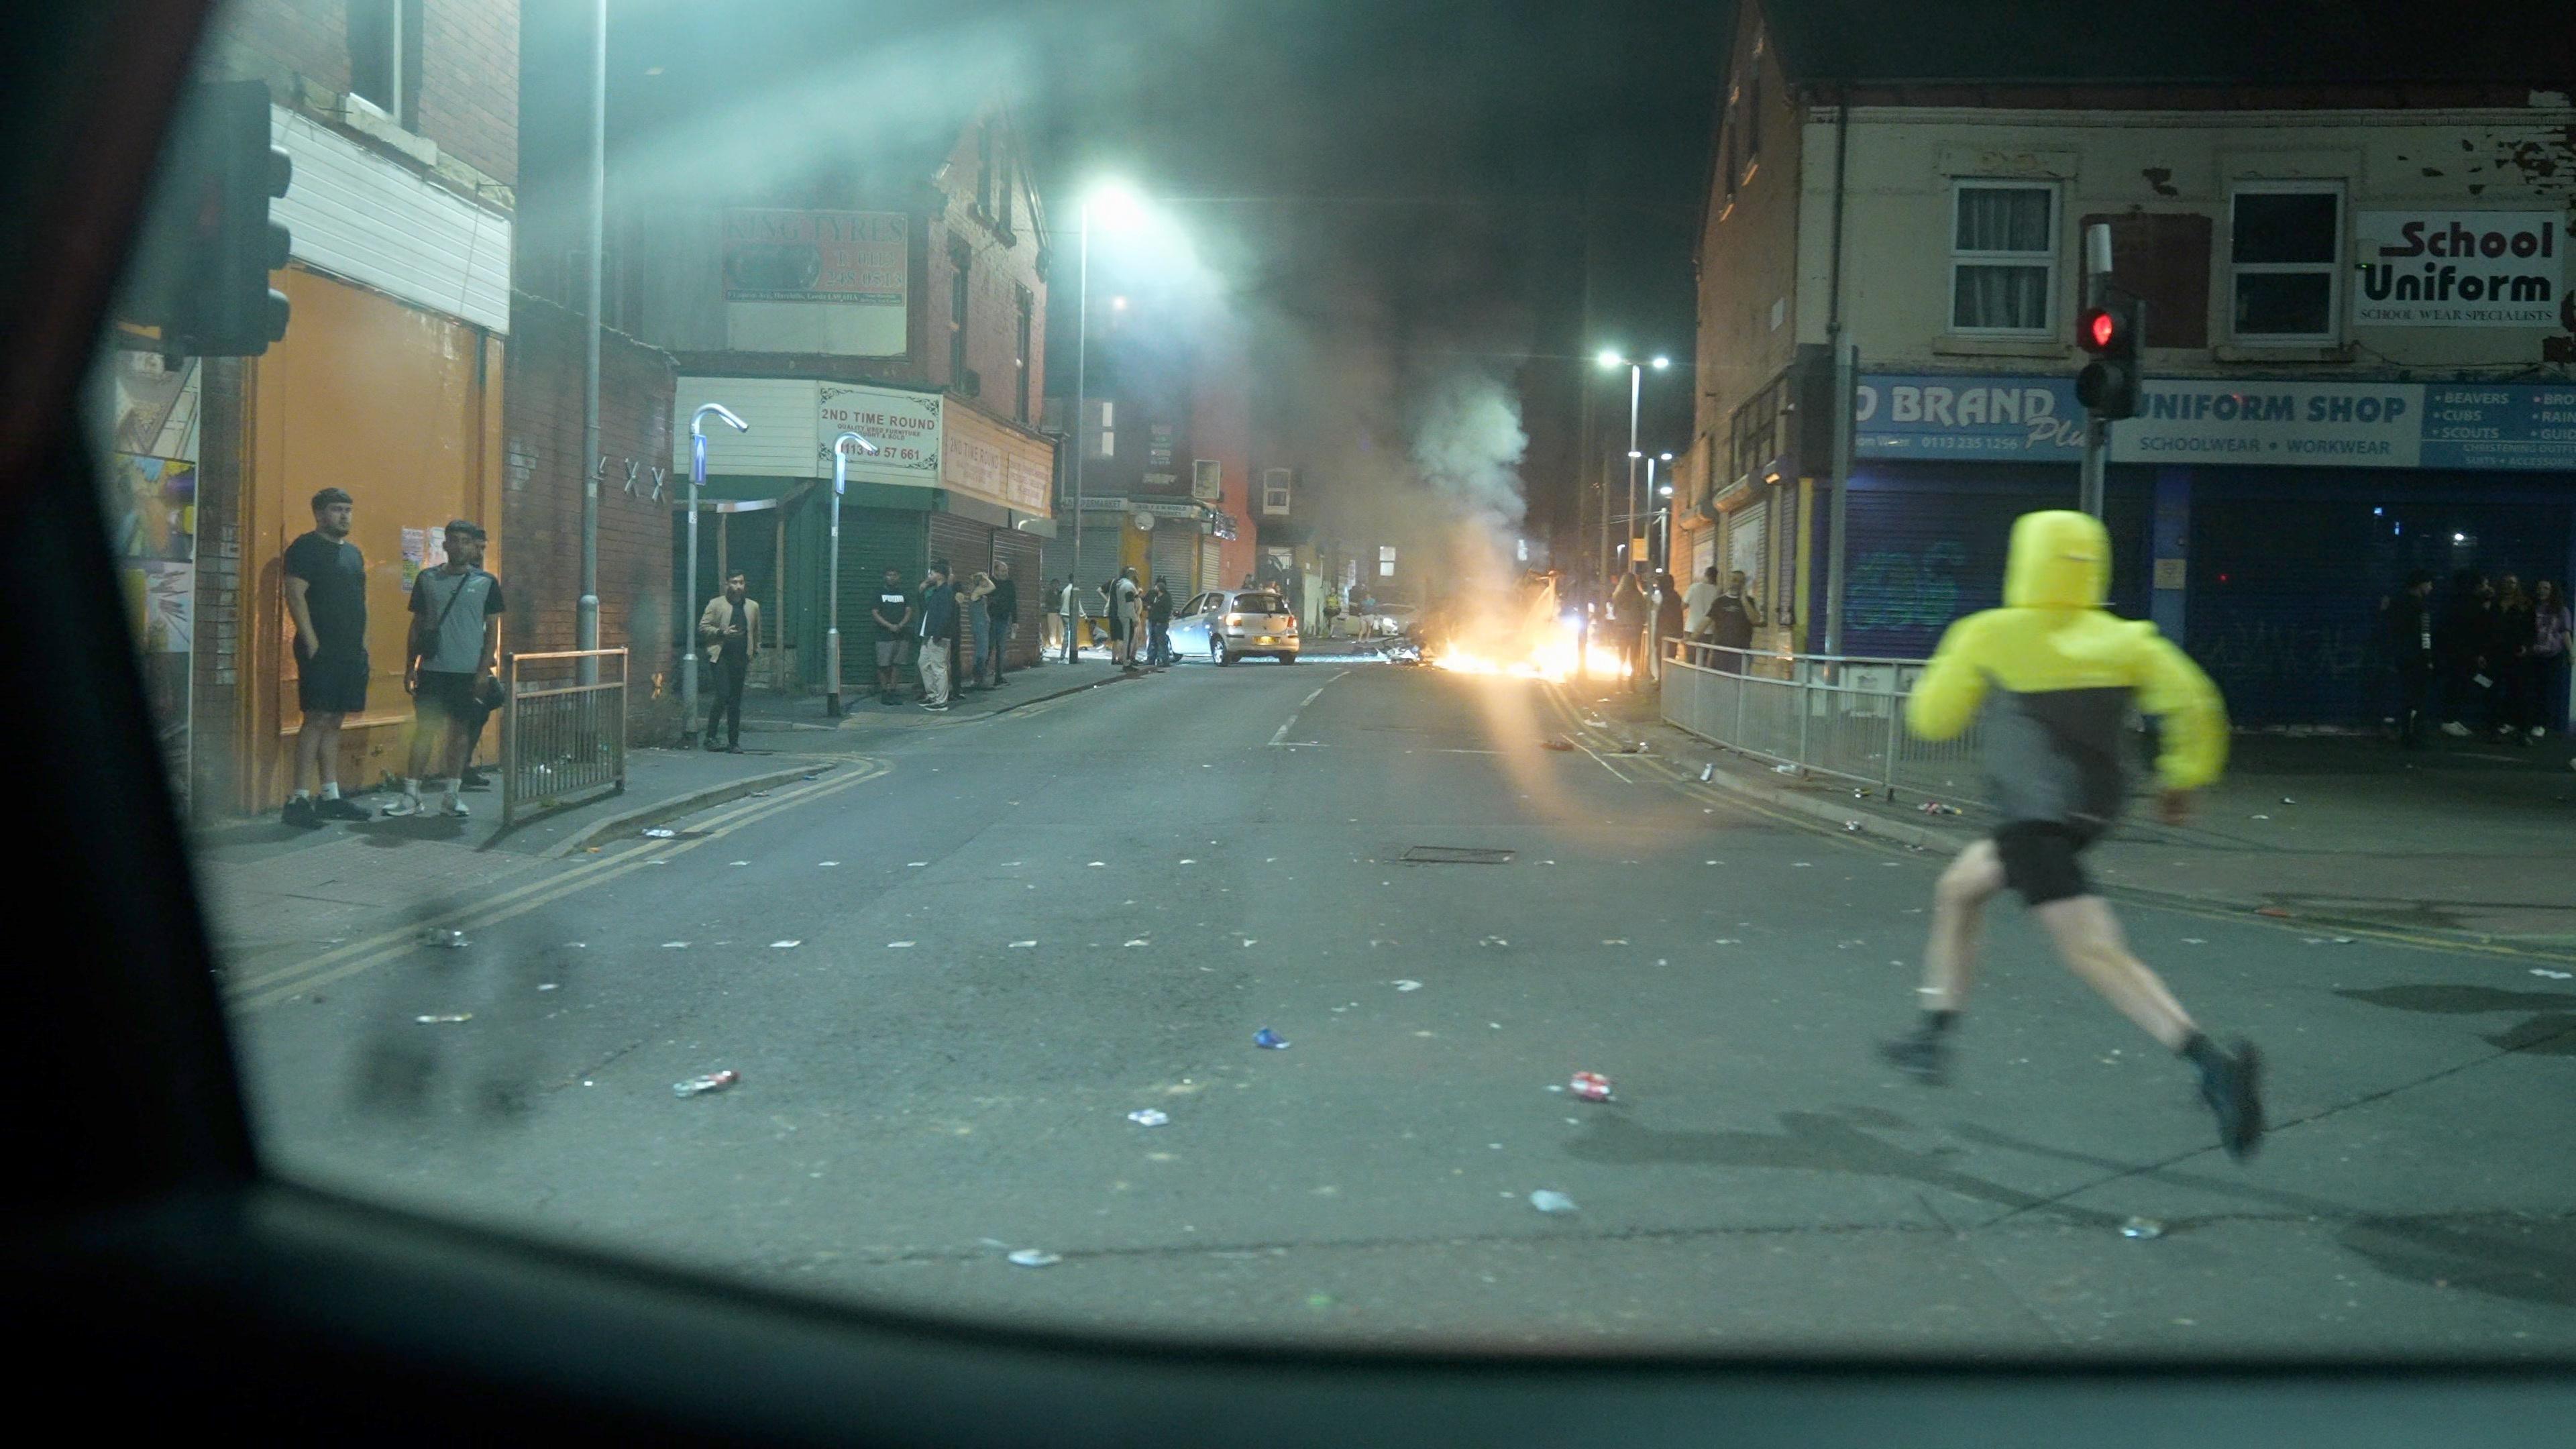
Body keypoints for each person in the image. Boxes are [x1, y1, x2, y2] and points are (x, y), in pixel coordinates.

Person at [1878, 511, 2261, 1161]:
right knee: (1960, 887)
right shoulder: (2129, 640)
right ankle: (1933, 1031)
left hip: (2032, 819)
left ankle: (2210, 1063)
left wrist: (1964, 677)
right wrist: (2182, 778)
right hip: (2087, 817)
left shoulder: (1990, 634)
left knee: (2092, 952)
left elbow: (1933, 719)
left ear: (2023, 560)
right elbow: (2196, 703)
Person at [388, 520, 502, 818]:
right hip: (433, 669)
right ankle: (411, 795)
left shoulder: (487, 583)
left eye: (466, 541)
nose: (460, 546)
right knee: (424, 731)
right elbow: (417, 626)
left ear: (472, 546)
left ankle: (452, 795)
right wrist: (409, 666)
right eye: (455, 540)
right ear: (445, 545)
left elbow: (492, 631)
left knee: (460, 732)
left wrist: (481, 673)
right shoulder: (427, 579)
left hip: (466, 672)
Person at [281, 487, 372, 827]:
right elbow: (295, 595)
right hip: (320, 648)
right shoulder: (305, 548)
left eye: (348, 509)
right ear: (320, 514)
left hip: (350, 650)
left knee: (336, 719)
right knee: (316, 718)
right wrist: (312, 642)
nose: (344, 516)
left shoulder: (354, 554)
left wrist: (363, 643)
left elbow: (361, 602)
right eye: (337, 509)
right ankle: (299, 799)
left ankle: (330, 795)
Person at [698, 570, 759, 752]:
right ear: (727, 585)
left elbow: (756, 632)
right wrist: (721, 632)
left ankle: (734, 742)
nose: (738, 586)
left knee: (735, 701)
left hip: (740, 658)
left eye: (741, 582)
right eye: (734, 582)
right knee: (723, 695)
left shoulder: (752, 606)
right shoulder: (716, 604)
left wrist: (754, 651)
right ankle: (710, 737)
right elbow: (703, 627)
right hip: (721, 656)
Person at [2435, 571, 2493, 738]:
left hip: (2461, 654)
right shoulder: (2471, 605)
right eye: (2485, 585)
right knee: (2460, 684)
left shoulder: (2463, 602)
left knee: (2461, 684)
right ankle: (2449, 719)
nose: (2488, 588)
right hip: (2463, 654)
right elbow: (2473, 631)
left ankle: (2451, 718)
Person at [2385, 569, 2437, 749]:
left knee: (2406, 696)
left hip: (2402, 656)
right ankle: (2415, 737)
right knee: (2418, 698)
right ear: (2421, 584)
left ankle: (2405, 732)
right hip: (2417, 658)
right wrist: (2428, 658)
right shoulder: (2421, 607)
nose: (2431, 587)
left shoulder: (2396, 603)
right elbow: (2425, 635)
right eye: (2429, 583)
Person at [2494, 574, 2535, 744]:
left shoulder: (2525, 605)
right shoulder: (2494, 604)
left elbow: (2532, 630)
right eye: (2506, 582)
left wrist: (2526, 646)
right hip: (2496, 654)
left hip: (2517, 655)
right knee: (2494, 692)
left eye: (2513, 583)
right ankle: (2495, 727)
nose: (2509, 586)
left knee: (2520, 692)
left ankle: (2522, 730)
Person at [2530, 580, 2569, 739]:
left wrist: (2572, 653)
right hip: (2532, 654)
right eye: (2539, 587)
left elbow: (2566, 632)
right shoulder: (2531, 607)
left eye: (2546, 588)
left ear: (2553, 591)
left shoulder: (2562, 610)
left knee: (2546, 691)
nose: (2542, 591)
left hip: (2552, 656)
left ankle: (2541, 723)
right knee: (2528, 688)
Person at [870, 566, 914, 706]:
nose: (892, 577)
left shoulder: (903, 593)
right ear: (885, 576)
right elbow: (875, 613)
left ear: (899, 577)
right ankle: (885, 691)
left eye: (895, 575)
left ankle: (893, 690)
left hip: (901, 634)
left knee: (897, 664)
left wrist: (901, 624)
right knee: (883, 664)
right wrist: (889, 626)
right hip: (884, 635)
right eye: (889, 575)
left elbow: (909, 610)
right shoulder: (879, 593)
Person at [916, 561, 956, 710]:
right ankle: (932, 695)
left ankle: (941, 701)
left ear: (939, 575)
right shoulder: (936, 591)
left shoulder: (946, 592)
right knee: (923, 664)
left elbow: (945, 615)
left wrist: (938, 634)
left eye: (932, 573)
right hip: (928, 634)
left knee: (939, 668)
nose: (929, 576)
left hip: (937, 636)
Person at [1707, 569, 1762, 675]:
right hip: (1720, 652)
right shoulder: (1720, 601)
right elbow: (1706, 621)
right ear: (1729, 581)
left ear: (1744, 584)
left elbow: (1755, 620)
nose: (1736, 584)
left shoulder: (1750, 601)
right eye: (1734, 580)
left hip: (1741, 654)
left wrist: (1744, 600)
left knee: (1738, 686)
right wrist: (1691, 638)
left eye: (1740, 582)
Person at [957, 570, 996, 692]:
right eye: (985, 580)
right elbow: (992, 587)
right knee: (982, 653)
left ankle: (979, 679)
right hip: (980, 626)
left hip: (981, 625)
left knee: (981, 652)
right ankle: (978, 679)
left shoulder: (977, 592)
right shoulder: (977, 591)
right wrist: (985, 578)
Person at [1611, 570, 1650, 690]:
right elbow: (1645, 613)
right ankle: (1631, 683)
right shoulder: (1638, 596)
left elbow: (1614, 612)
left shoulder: (1617, 596)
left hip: (1621, 628)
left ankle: (1619, 680)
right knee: (1633, 656)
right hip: (1635, 628)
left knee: (1621, 655)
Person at [984, 561, 1018, 686]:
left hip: (1004, 620)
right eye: (1003, 571)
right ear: (996, 571)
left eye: (1006, 571)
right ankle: (981, 677)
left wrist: (1015, 621)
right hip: (991, 620)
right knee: (988, 647)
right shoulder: (990, 583)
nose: (1005, 573)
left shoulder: (1010, 584)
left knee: (1001, 649)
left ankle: (999, 677)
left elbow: (1013, 603)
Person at [1652, 570, 1684, 682]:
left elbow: (1663, 617)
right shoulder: (1676, 596)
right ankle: (1666, 681)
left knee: (1661, 657)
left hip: (1664, 633)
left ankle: (1663, 681)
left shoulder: (1666, 598)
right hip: (1673, 633)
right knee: (1670, 657)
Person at [1682, 566, 1721, 652]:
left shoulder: (1694, 587)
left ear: (1705, 575)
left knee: (1691, 659)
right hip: (1708, 631)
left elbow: (1683, 606)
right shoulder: (1718, 591)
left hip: (1691, 629)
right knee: (1703, 659)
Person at [1113, 567, 1143, 672]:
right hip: (1128, 617)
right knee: (1128, 641)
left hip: (1123, 615)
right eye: (1135, 574)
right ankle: (1127, 663)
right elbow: (1130, 605)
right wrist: (1134, 618)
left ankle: (1126, 661)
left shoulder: (1121, 585)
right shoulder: (1129, 587)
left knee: (1127, 640)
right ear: (1131, 575)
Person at [1145, 576, 1174, 668]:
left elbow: (1167, 611)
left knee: (1161, 641)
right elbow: (1145, 601)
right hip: (1152, 621)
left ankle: (1163, 660)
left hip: (1161, 623)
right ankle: (1152, 659)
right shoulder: (1152, 594)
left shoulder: (1166, 597)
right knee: (1153, 640)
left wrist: (1161, 620)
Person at [1059, 576, 1082, 663]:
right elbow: (1077, 604)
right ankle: (1072, 656)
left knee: (1066, 636)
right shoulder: (1073, 590)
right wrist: (1083, 614)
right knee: (1072, 637)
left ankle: (1063, 656)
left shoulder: (1065, 589)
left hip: (1064, 614)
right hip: (1069, 615)